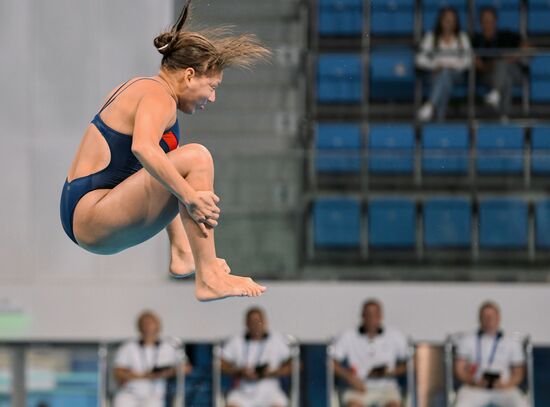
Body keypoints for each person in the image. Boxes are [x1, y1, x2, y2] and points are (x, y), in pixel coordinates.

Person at [59, 0, 269, 301]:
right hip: (91, 213)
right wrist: (191, 197)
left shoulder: (140, 88)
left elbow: (155, 170)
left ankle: (184, 252)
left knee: (175, 165)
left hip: (84, 211)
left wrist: (184, 195)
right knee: (196, 157)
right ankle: (208, 277)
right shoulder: (158, 97)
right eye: (212, 87)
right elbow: (143, 148)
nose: (212, 98)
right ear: (189, 75)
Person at [332, 299, 408, 407]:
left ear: (381, 316)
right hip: (359, 388)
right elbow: (331, 363)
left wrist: (389, 372)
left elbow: (412, 362)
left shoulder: (394, 335)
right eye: (368, 315)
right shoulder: (348, 335)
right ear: (362, 316)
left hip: (387, 388)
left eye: (375, 315)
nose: (372, 319)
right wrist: (351, 378)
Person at [454, 301, 528, 407]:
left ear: (499, 317)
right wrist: (473, 381)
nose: (489, 320)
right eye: (485, 316)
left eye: (492, 316)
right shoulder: (467, 340)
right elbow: (459, 370)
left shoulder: (511, 341)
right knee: (462, 405)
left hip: (505, 388)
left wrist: (507, 384)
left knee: (521, 404)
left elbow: (518, 372)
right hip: (475, 387)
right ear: (479, 318)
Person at [113, 310, 191, 407]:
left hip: (155, 394)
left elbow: (186, 368)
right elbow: (118, 372)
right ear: (139, 326)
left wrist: (165, 373)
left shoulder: (169, 346)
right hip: (130, 393)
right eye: (145, 323)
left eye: (151, 323)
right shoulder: (128, 346)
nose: (149, 327)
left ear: (158, 326)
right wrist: (144, 376)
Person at [221, 307, 293, 407]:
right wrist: (239, 371)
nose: (256, 325)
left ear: (264, 322)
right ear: (246, 323)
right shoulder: (236, 340)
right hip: (243, 390)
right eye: (252, 321)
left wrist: (273, 373)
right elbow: (220, 363)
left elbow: (294, 364)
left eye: (258, 321)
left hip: (270, 391)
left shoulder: (277, 339)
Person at [416, 7, 472, 122]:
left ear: (456, 23)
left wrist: (451, 65)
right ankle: (440, 119)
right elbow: (419, 59)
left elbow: (469, 60)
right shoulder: (431, 37)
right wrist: (435, 65)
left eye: (452, 21)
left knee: (446, 74)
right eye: (446, 20)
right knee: (444, 80)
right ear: (440, 21)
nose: (449, 24)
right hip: (434, 73)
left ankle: (430, 105)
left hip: (457, 74)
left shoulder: (462, 37)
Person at [472, 6, 528, 120]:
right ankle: (504, 116)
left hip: (515, 72)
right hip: (489, 75)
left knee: (503, 65)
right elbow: (480, 66)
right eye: (485, 20)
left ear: (496, 21)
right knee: (505, 78)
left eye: (491, 20)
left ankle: (495, 93)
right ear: (480, 22)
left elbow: (527, 46)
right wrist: (495, 63)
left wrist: (513, 56)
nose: (488, 23)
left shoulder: (506, 35)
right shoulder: (476, 40)